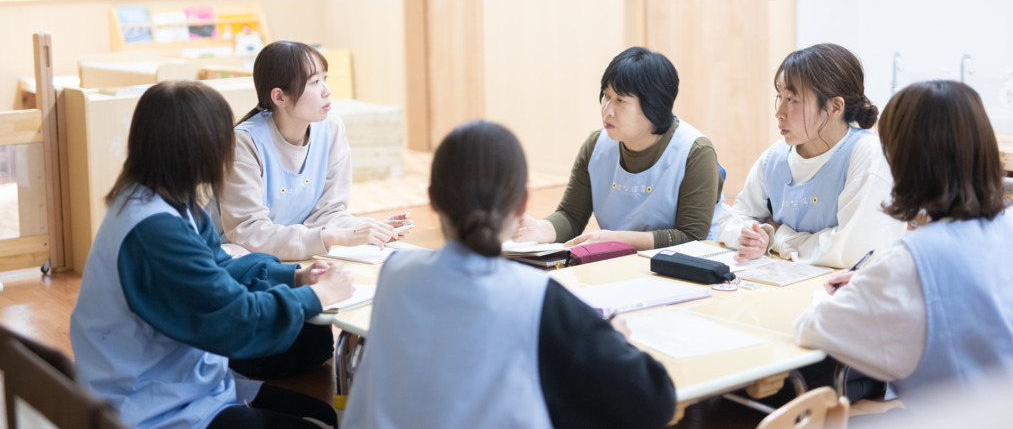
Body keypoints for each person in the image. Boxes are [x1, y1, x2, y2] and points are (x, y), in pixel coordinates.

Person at [343, 120, 677, 429]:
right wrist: (610, 340)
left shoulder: (395, 274)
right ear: (522, 205)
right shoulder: (538, 298)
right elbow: (655, 400)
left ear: (432, 200)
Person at [70, 81, 354, 429]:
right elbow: (236, 319)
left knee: (323, 413)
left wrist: (294, 276)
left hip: (181, 379)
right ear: (198, 149)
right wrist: (319, 295)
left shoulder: (160, 200)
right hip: (149, 406)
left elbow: (219, 269)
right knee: (322, 423)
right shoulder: (154, 230)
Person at [794, 80, 1013, 404]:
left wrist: (877, 285)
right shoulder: (1004, 226)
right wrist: (880, 283)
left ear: (904, 161)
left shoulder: (911, 262)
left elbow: (811, 328)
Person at [209, 40, 410, 261]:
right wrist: (334, 236)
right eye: (314, 82)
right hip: (232, 260)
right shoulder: (243, 142)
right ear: (279, 97)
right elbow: (249, 233)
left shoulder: (331, 129)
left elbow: (327, 213)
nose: (327, 91)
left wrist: (366, 229)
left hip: (292, 256)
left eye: (325, 78)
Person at [513, 46, 724, 251]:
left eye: (621, 100)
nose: (607, 110)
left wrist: (614, 239)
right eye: (606, 96)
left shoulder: (695, 151)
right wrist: (539, 229)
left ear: (655, 105)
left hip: (693, 262)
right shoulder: (596, 145)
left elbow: (690, 236)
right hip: (622, 259)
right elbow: (571, 216)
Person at [716, 43, 906, 268]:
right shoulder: (774, 159)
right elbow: (730, 220)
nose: (779, 113)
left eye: (792, 100)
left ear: (835, 108)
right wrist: (756, 236)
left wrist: (779, 235)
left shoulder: (868, 155)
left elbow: (852, 251)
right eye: (780, 97)